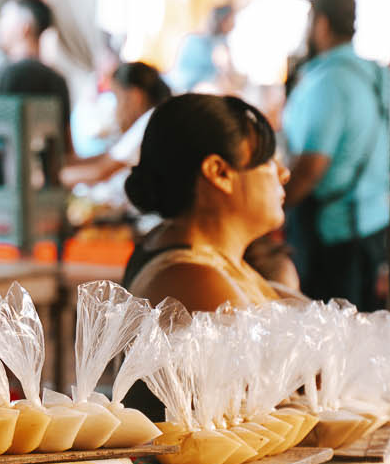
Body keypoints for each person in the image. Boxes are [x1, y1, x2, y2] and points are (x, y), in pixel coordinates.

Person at [121, 93, 298, 313]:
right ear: (219, 173)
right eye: (267, 161)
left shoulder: (206, 260)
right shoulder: (194, 281)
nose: (284, 173)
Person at [282, 0, 390, 309]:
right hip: (375, 225)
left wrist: (271, 213)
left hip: (331, 238)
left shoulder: (326, 82)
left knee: (327, 339)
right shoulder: (381, 76)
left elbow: (309, 170)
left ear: (323, 24)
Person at [59, 61, 172, 213]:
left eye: (117, 97)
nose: (115, 108)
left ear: (134, 97)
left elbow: (100, 171)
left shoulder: (149, 122)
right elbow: (109, 157)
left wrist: (54, 178)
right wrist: (65, 163)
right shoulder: (152, 118)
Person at [0, 0, 75, 154]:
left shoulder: (1, 75)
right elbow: (66, 149)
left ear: (25, 28)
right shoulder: (57, 79)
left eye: (5, 17)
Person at [171, 0, 236, 93]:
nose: (233, 24)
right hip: (186, 88)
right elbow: (184, 76)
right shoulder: (194, 41)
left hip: (207, 88)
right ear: (222, 20)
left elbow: (225, 75)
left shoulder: (222, 42)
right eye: (231, 20)